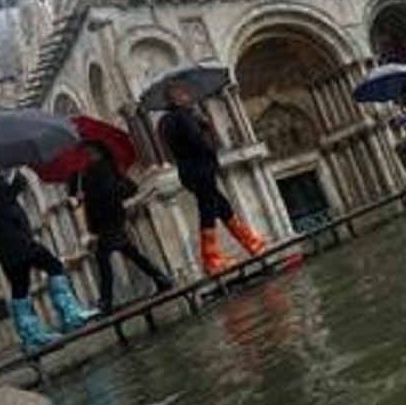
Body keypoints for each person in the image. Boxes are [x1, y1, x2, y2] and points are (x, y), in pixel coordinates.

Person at [0, 168, 98, 353]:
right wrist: (16, 180)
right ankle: (70, 315)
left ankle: (32, 336)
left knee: (20, 286)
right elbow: (2, 202)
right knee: (53, 265)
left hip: (6, 239)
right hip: (13, 238)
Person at [157, 82, 266, 276]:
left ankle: (251, 242)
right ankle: (211, 259)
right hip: (200, 168)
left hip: (187, 171)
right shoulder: (184, 116)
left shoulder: (165, 121)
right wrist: (204, 125)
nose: (188, 97)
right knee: (207, 208)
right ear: (176, 97)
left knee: (221, 205)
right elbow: (199, 141)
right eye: (184, 94)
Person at [68, 142, 174, 315]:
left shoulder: (101, 167)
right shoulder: (92, 169)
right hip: (107, 220)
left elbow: (113, 191)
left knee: (102, 258)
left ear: (97, 150)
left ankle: (106, 301)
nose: (87, 154)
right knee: (130, 252)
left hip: (110, 218)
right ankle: (161, 279)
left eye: (89, 151)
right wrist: (82, 196)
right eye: (86, 151)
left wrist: (87, 194)